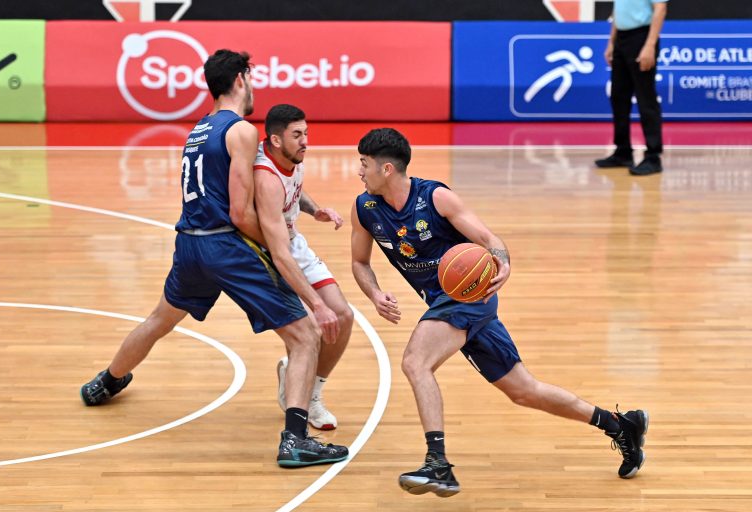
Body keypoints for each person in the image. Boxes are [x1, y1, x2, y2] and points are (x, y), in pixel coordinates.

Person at [79, 49, 348, 468]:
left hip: (189, 243)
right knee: (305, 336)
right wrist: (277, 243)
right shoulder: (240, 130)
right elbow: (240, 213)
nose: (253, 86)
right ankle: (295, 442)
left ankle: (106, 382)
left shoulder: (200, 128)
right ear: (240, 79)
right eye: (251, 78)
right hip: (225, 246)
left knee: (160, 320)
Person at [351, 128, 648, 497]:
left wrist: (503, 263)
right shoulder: (365, 209)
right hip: (447, 304)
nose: (359, 171)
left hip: (469, 296)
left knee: (415, 362)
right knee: (524, 391)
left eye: (364, 164)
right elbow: (360, 262)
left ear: (387, 169)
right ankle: (620, 425)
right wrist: (374, 293)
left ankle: (437, 463)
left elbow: (489, 240)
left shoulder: (435, 197)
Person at [253, 104, 353, 431]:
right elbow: (279, 251)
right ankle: (301, 395)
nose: (305, 141)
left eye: (306, 133)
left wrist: (315, 210)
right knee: (310, 327)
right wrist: (316, 304)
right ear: (276, 140)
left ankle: (313, 392)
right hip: (270, 254)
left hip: (294, 242)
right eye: (297, 135)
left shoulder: (292, 158)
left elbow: (294, 190)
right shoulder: (265, 178)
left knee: (343, 316)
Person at [595, 0, 668, 176]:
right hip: (621, 38)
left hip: (641, 37)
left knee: (645, 97)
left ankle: (653, 156)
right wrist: (611, 42)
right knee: (618, 97)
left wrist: (650, 45)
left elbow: (660, 9)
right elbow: (618, 10)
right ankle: (623, 151)